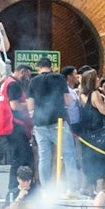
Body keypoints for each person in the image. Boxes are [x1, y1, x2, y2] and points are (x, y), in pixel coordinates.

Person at [27, 57, 75, 189]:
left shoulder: (33, 81)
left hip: (40, 124)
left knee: (44, 157)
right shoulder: (59, 78)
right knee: (68, 154)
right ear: (51, 67)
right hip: (58, 123)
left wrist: (35, 115)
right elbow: (67, 101)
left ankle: (46, 190)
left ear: (38, 68)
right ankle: (72, 188)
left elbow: (30, 105)